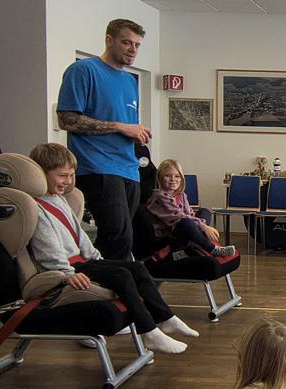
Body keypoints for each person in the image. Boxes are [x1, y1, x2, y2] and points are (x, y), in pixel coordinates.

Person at [28, 143, 194, 355]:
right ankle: (149, 331)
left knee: (136, 268)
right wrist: (67, 274)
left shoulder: (59, 200)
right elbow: (48, 251)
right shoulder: (37, 208)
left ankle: (166, 318)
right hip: (68, 268)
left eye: (71, 176)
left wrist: (98, 259)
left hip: (83, 261)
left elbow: (79, 236)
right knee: (121, 276)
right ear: (41, 174)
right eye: (62, 176)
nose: (68, 181)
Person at [57, 18, 151, 260]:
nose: (133, 49)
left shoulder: (129, 81)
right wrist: (120, 126)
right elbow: (67, 120)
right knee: (118, 235)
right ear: (109, 40)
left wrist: (137, 132)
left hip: (128, 168)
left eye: (137, 45)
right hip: (97, 166)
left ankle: (103, 278)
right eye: (126, 42)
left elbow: (126, 125)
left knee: (126, 238)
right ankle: (110, 283)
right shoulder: (83, 70)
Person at [146, 159, 235, 257]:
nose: (173, 179)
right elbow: (178, 217)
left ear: (181, 178)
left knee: (204, 212)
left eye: (177, 176)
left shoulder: (181, 195)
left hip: (182, 231)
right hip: (168, 236)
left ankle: (196, 243)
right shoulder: (160, 196)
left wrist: (199, 226)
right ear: (160, 178)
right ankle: (212, 249)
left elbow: (189, 213)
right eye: (167, 176)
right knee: (186, 222)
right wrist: (203, 226)